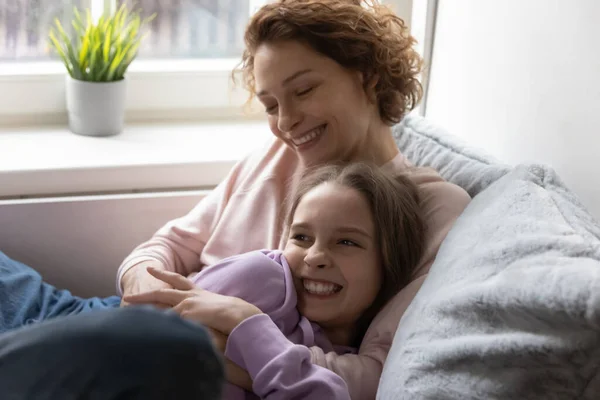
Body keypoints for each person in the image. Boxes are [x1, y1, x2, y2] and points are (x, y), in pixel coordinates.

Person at [0, 0, 471, 398]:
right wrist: (144, 287)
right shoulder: (277, 154)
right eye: (269, 105)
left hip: (170, 355)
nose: (286, 122)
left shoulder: (428, 207)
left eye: (303, 90)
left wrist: (228, 339)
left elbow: (374, 376)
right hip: (101, 317)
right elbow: (164, 247)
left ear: (367, 77)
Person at [123, 162, 426, 399]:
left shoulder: (342, 362)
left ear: (390, 261)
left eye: (346, 242)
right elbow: (143, 334)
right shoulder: (265, 276)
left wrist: (248, 330)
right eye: (301, 237)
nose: (314, 256)